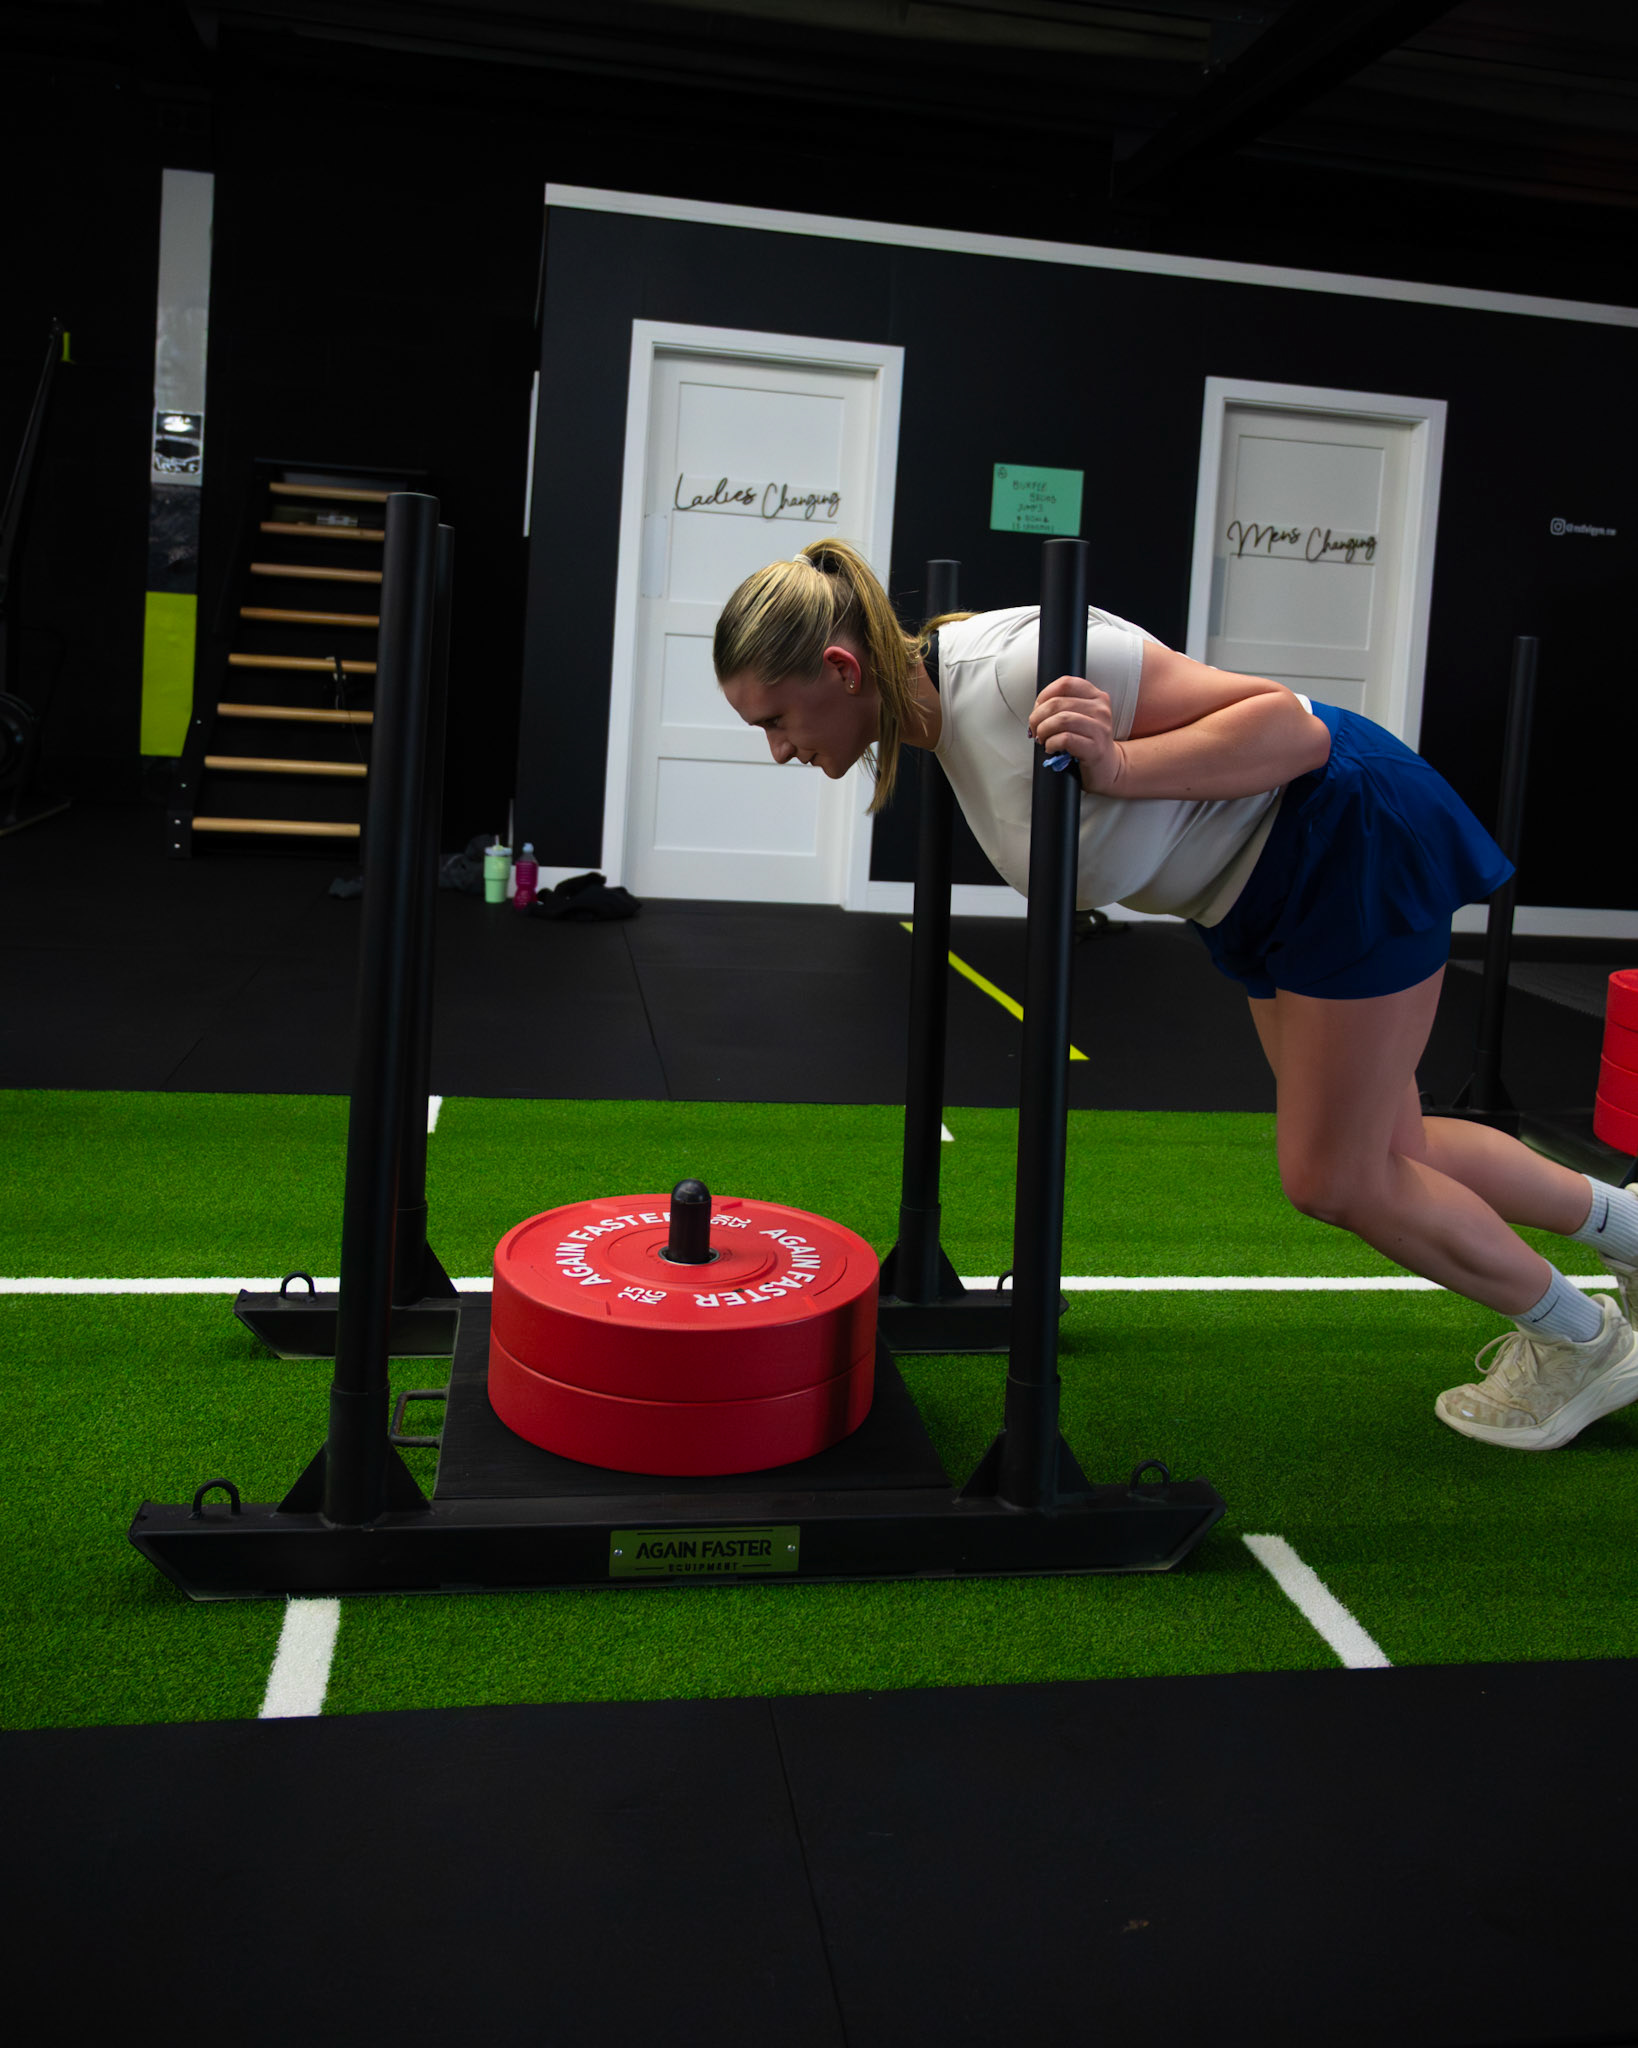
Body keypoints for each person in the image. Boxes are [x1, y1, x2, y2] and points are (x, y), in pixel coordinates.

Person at [713, 536, 1638, 1452]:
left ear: (842, 669)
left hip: (1341, 843)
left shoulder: (1019, 666)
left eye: (775, 720)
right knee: (1395, 1151)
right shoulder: (941, 713)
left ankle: (1584, 1343)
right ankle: (1631, 1230)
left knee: (1336, 1177)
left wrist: (1121, 767)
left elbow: (1292, 728)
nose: (779, 749)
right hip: (1258, 894)